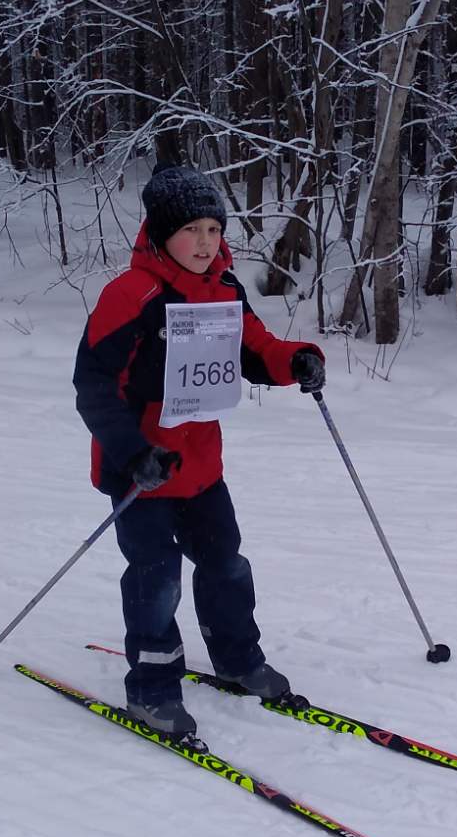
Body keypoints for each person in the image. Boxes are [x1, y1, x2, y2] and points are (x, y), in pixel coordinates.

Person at [73, 162, 326, 740]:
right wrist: (133, 452)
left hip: (200, 466)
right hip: (141, 471)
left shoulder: (225, 288)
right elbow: (93, 385)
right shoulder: (130, 295)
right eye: (191, 230)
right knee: (157, 575)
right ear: (163, 234)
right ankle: (153, 688)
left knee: (225, 564)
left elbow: (255, 349)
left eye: (213, 229)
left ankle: (237, 659)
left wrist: (296, 361)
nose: (205, 242)